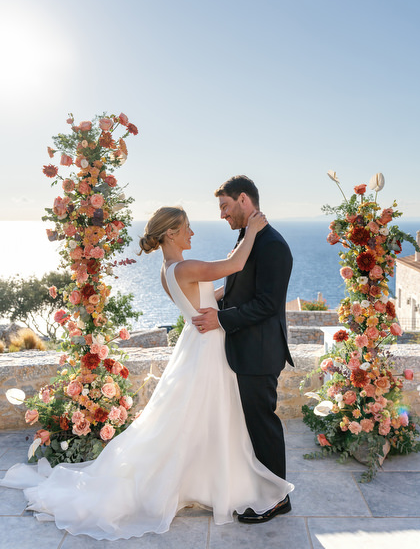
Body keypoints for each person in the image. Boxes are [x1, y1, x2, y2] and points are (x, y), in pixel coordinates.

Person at [0, 206, 293, 540]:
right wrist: (252, 230)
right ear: (170, 233)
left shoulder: (169, 270)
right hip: (208, 345)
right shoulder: (187, 266)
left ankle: (215, 481)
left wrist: (234, 292)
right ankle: (216, 483)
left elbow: (206, 297)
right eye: (187, 228)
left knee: (200, 419)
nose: (192, 234)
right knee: (209, 417)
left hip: (198, 342)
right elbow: (235, 265)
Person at [192, 175, 294, 523]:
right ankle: (260, 488)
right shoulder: (249, 238)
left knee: (262, 424)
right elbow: (240, 289)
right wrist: (214, 301)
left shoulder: (272, 245)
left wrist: (220, 320)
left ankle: (277, 498)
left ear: (244, 201)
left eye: (224, 206)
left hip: (260, 351)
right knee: (250, 424)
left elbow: (267, 304)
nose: (222, 214)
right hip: (245, 348)